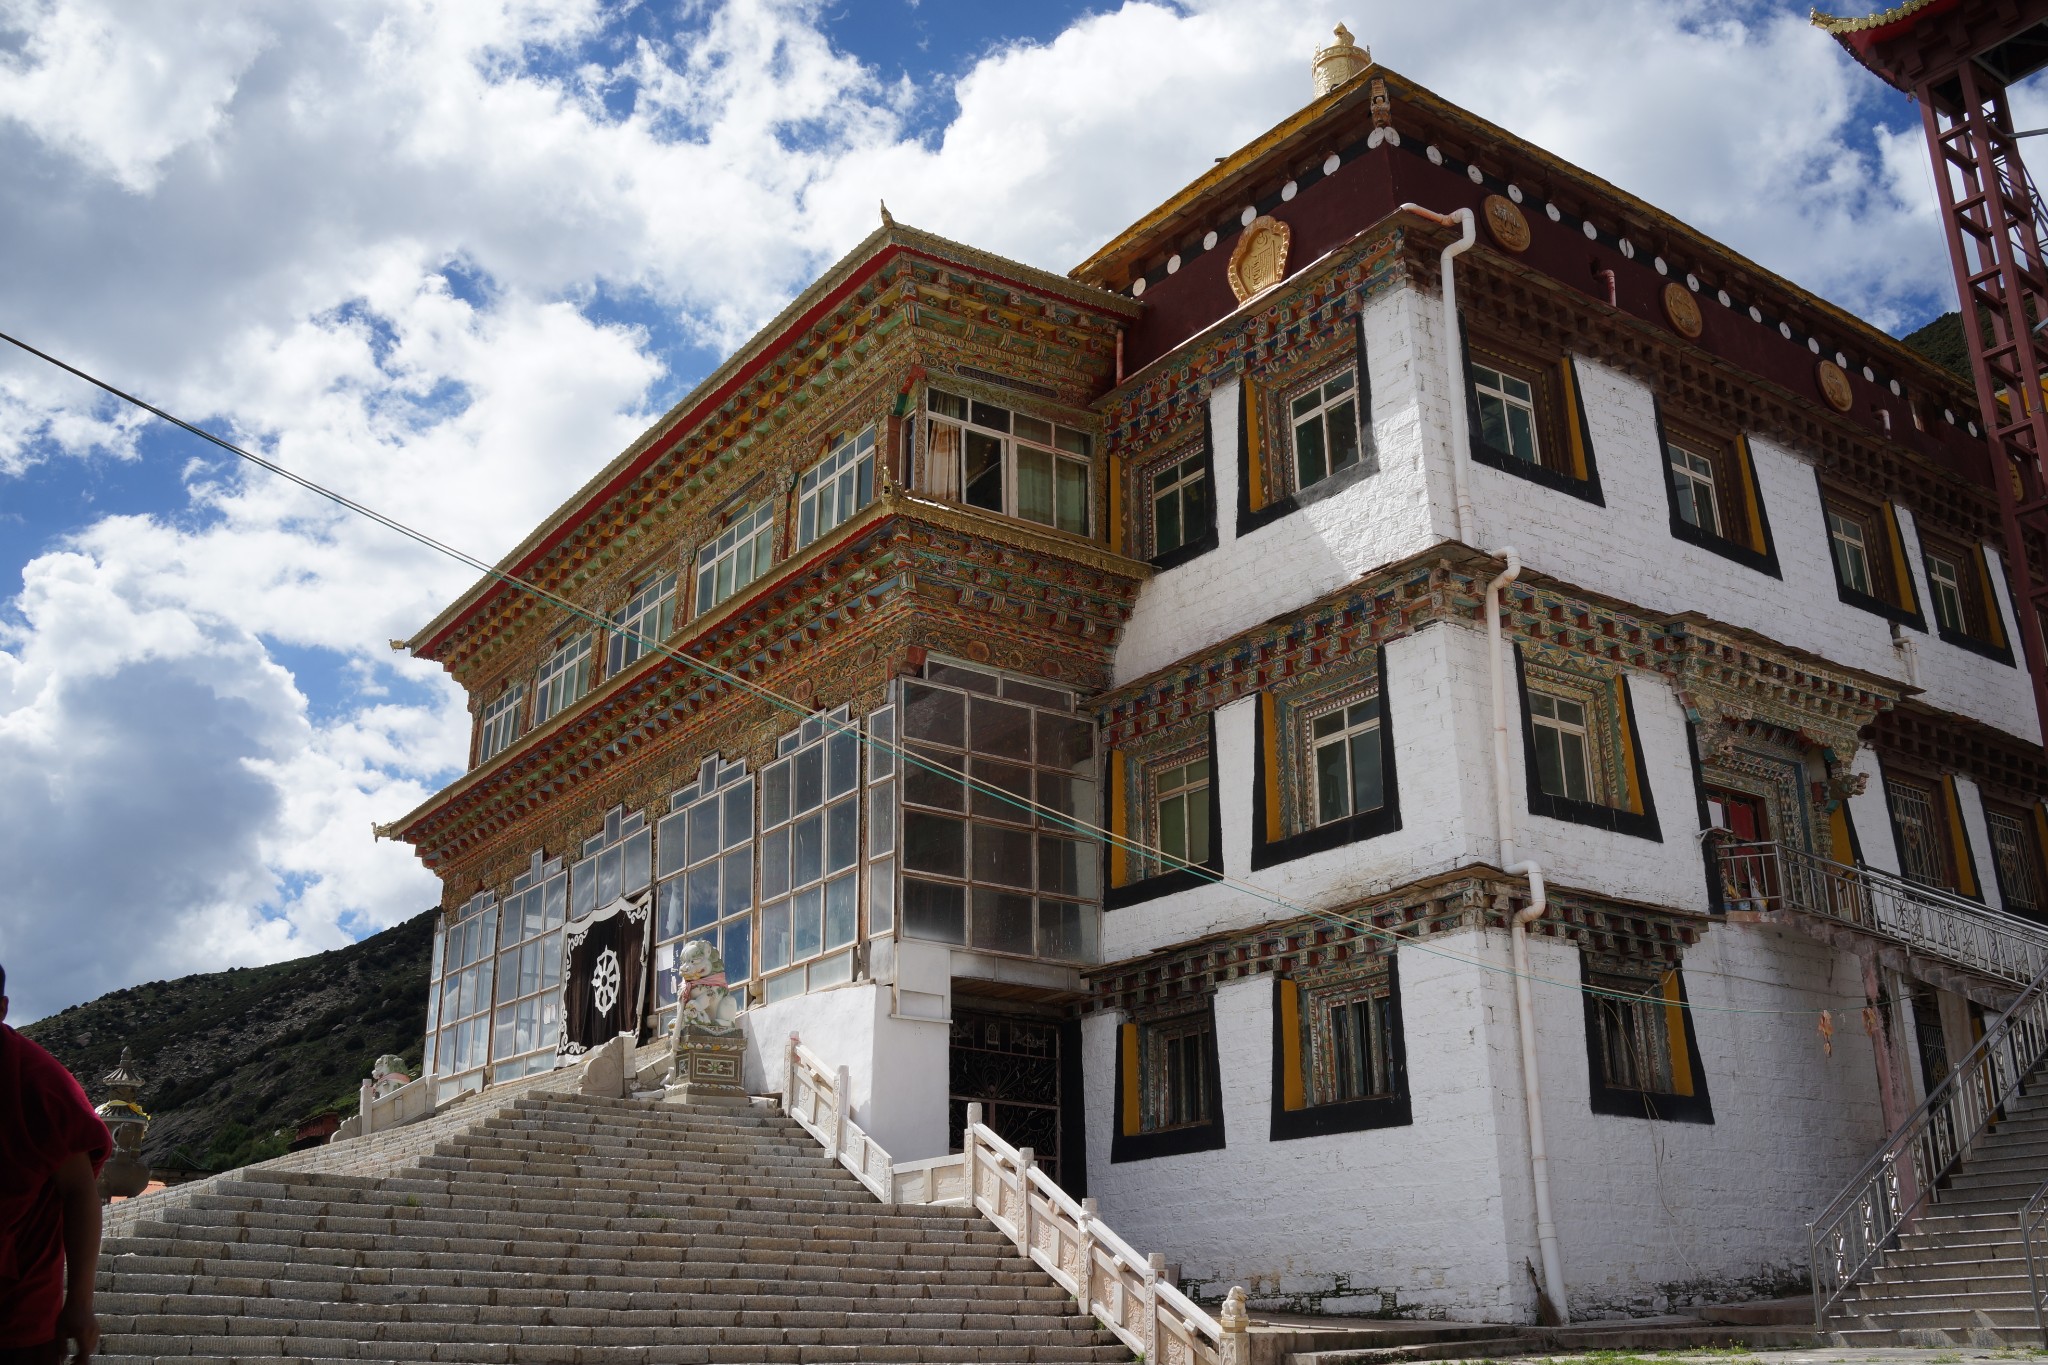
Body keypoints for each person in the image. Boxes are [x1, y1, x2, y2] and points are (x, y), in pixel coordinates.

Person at [0, 964, 111, 1364]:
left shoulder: (37, 1080)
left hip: (15, 1309)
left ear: (1, 1009)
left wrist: (80, 1302)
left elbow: (79, 1191)